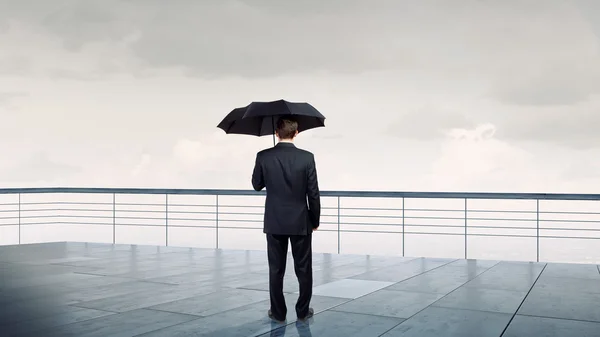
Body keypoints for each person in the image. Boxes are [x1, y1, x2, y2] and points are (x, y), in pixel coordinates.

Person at [251, 116, 321, 323]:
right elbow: (313, 193)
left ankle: (278, 313)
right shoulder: (307, 157)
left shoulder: (263, 156)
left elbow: (257, 184)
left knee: (276, 269)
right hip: (300, 221)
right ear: (296, 133)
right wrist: (314, 220)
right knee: (303, 268)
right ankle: (302, 311)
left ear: (276, 133)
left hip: (274, 221)